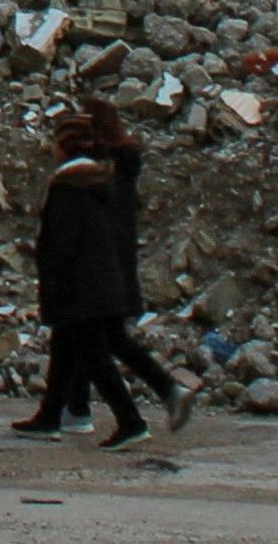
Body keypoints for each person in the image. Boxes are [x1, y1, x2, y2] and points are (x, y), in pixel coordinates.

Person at [13, 99, 194, 447]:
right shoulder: (102, 179)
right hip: (104, 279)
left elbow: (62, 244)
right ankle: (58, 414)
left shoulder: (73, 184)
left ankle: (131, 418)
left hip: (85, 285)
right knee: (78, 344)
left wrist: (52, 280)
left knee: (94, 349)